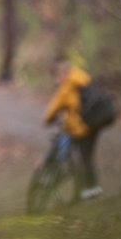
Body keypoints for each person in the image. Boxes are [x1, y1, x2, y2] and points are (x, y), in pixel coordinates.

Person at [43, 58, 103, 200]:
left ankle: (86, 188)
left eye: (57, 76)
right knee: (87, 157)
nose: (57, 80)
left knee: (68, 152)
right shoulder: (83, 78)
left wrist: (47, 119)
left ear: (63, 74)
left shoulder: (67, 86)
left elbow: (54, 109)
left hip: (80, 128)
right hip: (94, 122)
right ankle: (91, 188)